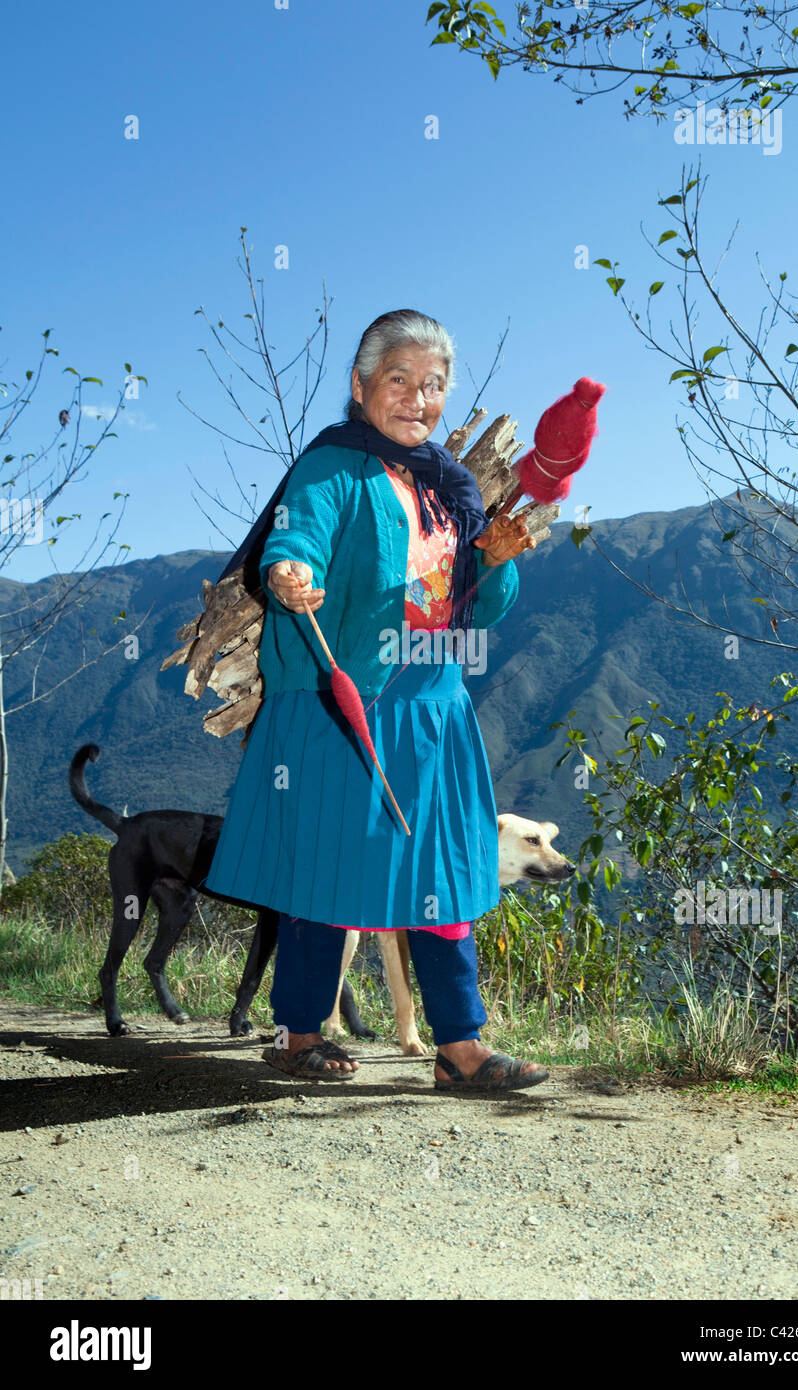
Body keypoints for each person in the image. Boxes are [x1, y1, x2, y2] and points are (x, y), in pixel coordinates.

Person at [205, 308, 549, 1092]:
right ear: (362, 388)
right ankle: (299, 1034)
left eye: (434, 386)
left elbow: (481, 611)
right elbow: (296, 538)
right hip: (343, 704)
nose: (418, 399)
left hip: (432, 704)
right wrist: (290, 573)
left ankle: (460, 1050)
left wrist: (493, 560)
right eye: (400, 380)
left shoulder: (449, 490)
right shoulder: (330, 469)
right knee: (327, 871)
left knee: (444, 870)